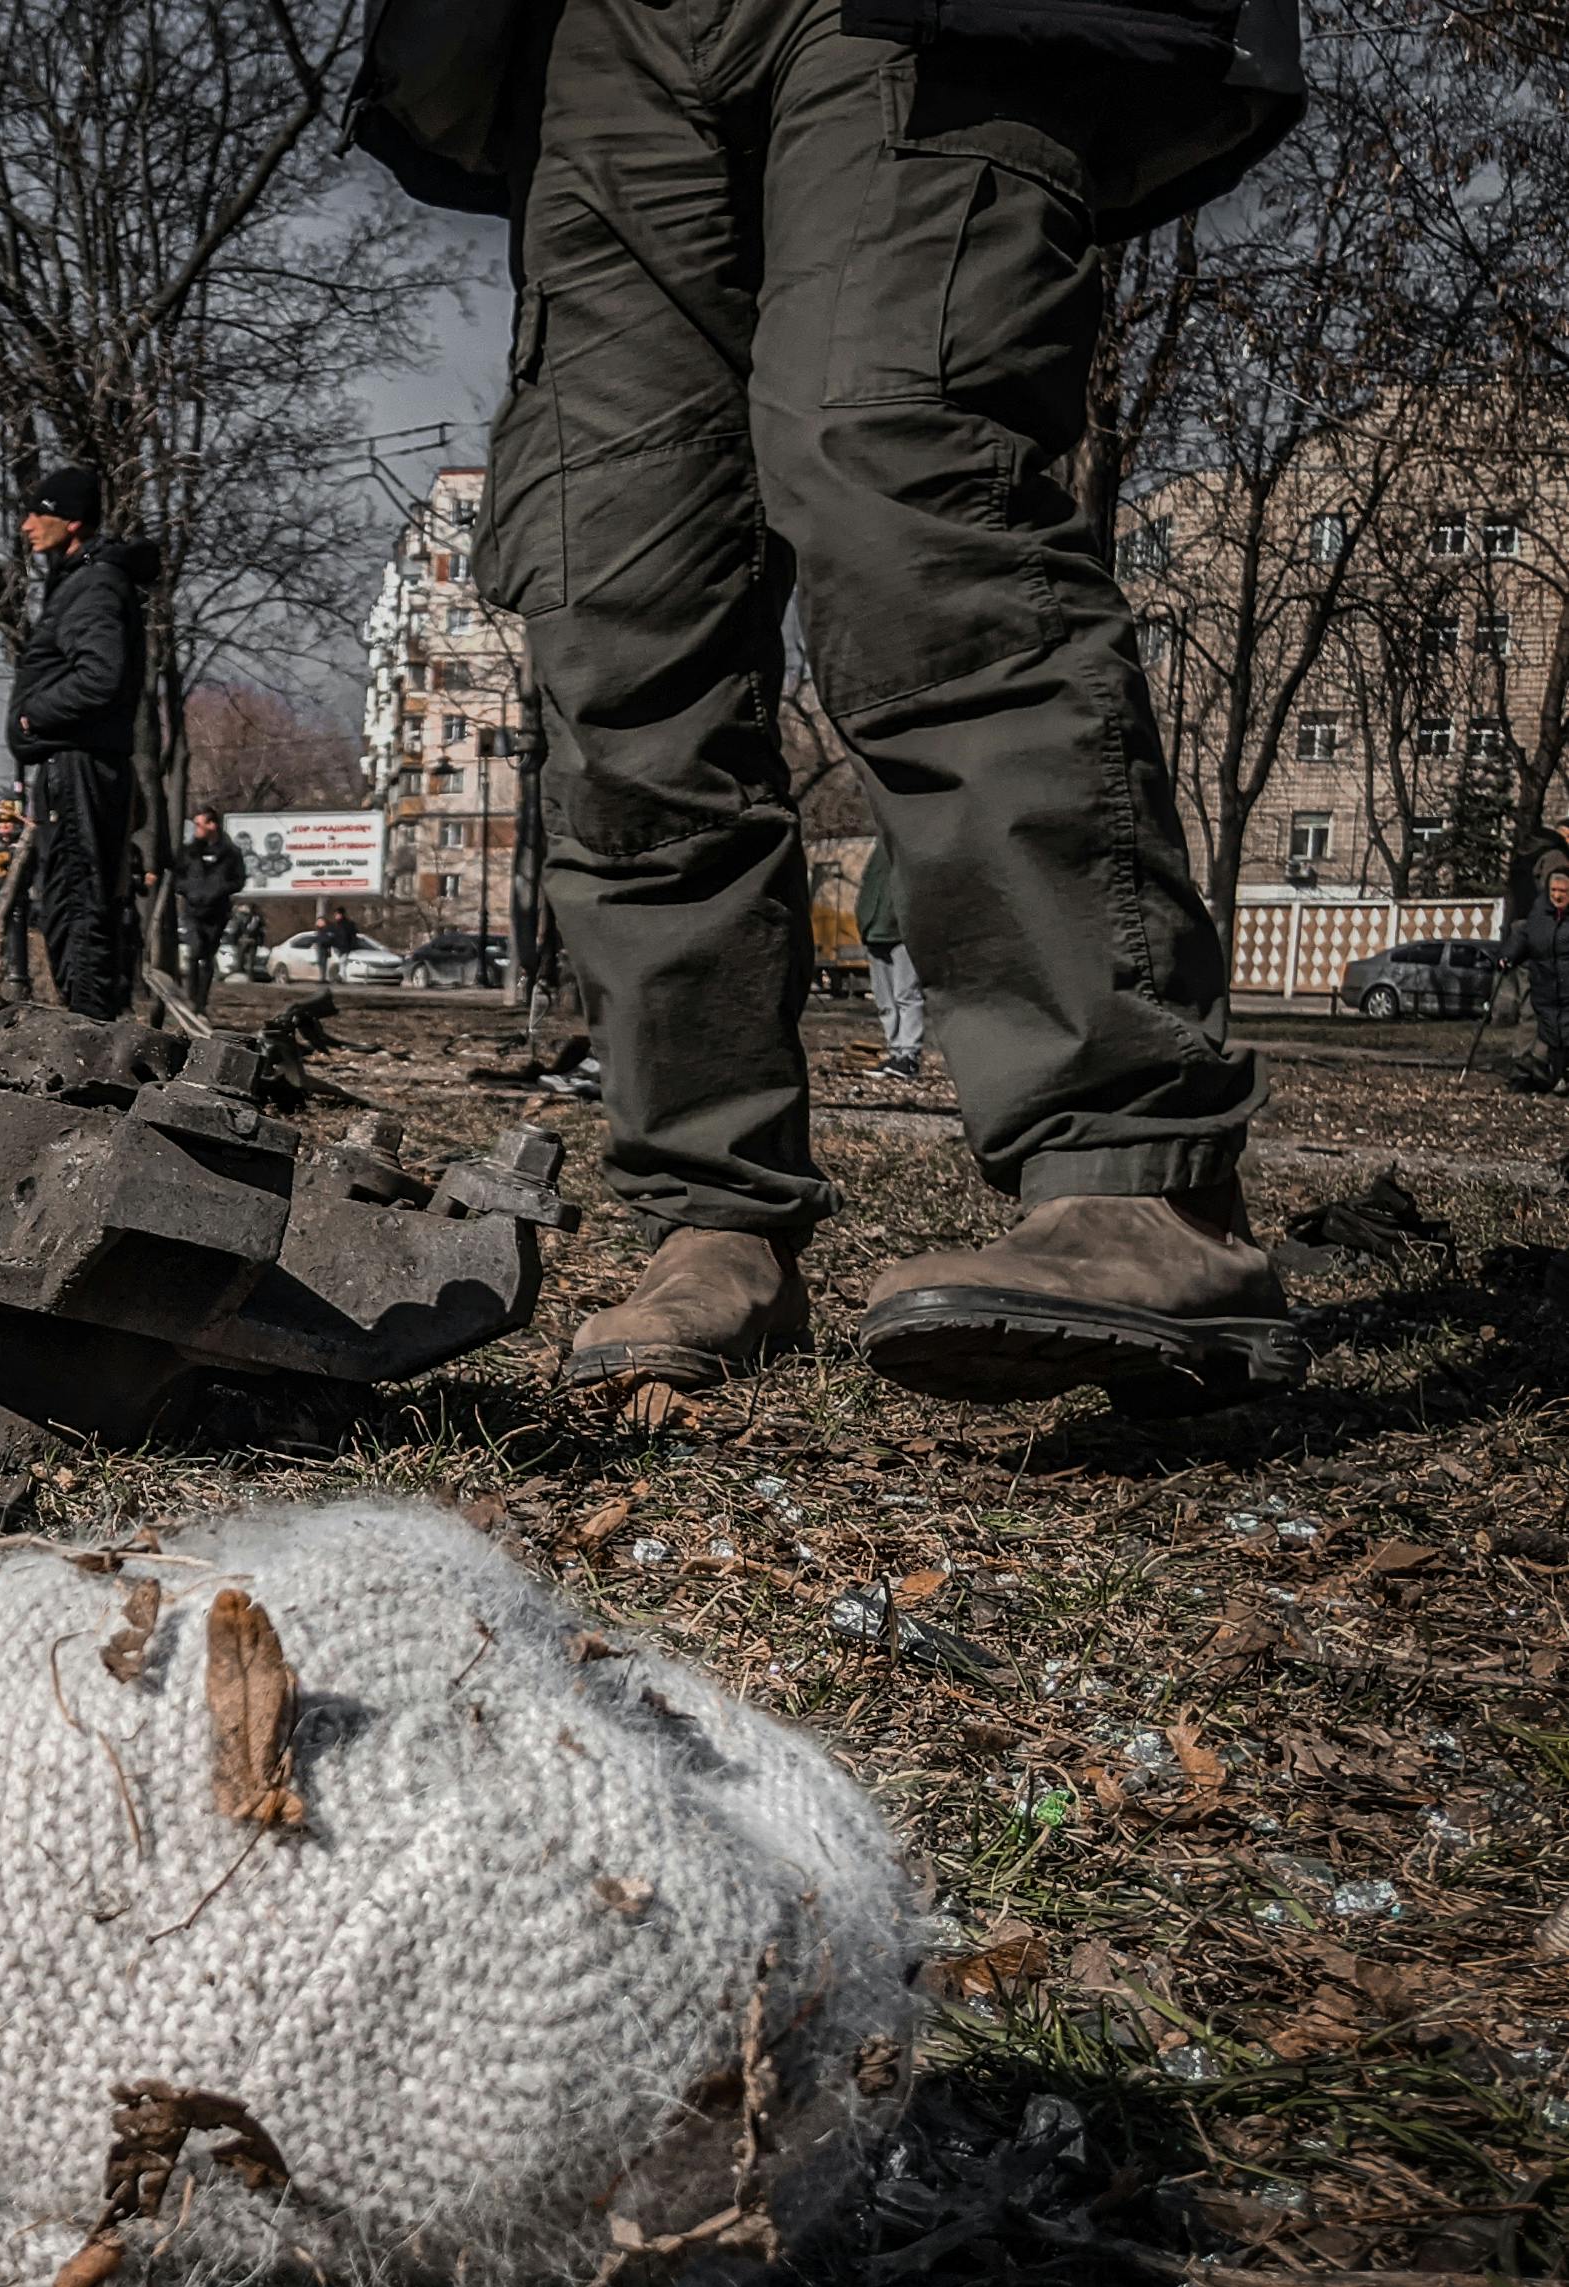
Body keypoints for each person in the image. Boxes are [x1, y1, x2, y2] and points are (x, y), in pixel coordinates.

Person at [352, 0, 1309, 1408]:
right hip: (591, 35)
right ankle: (710, 1214)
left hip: (913, 13)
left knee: (901, 491)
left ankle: (1134, 1176)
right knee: (616, 605)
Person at [5, 467, 153, 1024]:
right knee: (82, 897)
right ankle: (96, 1030)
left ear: (70, 520)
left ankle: (89, 1043)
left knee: (76, 898)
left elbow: (100, 676)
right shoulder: (89, 581)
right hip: (81, 767)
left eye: (35, 514)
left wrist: (29, 718)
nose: (25, 527)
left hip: (78, 768)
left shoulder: (92, 586)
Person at [856, 839, 925, 1081]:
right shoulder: (878, 851)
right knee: (885, 1000)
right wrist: (863, 923)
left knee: (906, 995)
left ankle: (909, 1057)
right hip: (874, 934)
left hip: (901, 934)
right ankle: (896, 1054)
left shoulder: (907, 846)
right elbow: (867, 889)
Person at [1509, 858, 1569, 1097]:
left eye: (1562, 891)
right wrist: (1508, 956)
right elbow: (1523, 938)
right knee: (1544, 1028)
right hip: (1546, 984)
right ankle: (1528, 1072)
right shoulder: (1539, 913)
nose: (1557, 895)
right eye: (1554, 890)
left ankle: (1554, 1075)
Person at [172, 810, 250, 985]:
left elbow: (238, 881)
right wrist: (189, 890)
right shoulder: (189, 852)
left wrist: (218, 890)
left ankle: (201, 1002)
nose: (196, 829)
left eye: (199, 825)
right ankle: (190, 997)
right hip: (192, 910)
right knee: (194, 951)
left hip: (217, 912)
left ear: (212, 825)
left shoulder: (230, 853)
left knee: (207, 956)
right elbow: (177, 877)